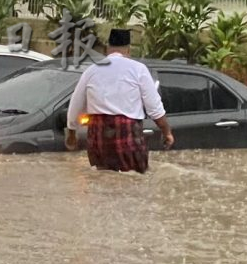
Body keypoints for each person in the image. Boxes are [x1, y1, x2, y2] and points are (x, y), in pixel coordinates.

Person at [65, 28, 174, 173]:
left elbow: (75, 105)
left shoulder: (91, 70)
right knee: (133, 179)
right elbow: (154, 108)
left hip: (98, 138)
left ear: (107, 49)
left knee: (101, 178)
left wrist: (72, 133)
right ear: (128, 50)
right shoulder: (138, 69)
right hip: (128, 134)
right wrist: (166, 132)